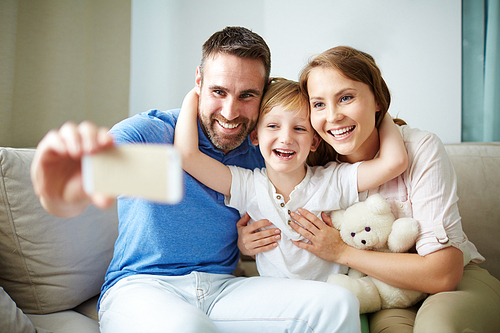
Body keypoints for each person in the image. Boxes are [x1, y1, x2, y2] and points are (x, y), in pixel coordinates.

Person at [30, 27, 363, 333]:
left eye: (247, 95)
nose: (231, 112)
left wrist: (244, 245)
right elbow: (77, 185)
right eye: (219, 91)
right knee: (188, 328)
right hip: (143, 287)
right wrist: (59, 178)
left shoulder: (264, 148)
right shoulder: (150, 134)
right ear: (199, 82)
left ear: (263, 96)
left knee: (337, 305)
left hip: (222, 289)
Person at [241, 45, 500, 332]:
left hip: (457, 284)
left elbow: (443, 274)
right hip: (383, 294)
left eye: (347, 97)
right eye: (319, 104)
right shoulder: (311, 162)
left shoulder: (420, 148)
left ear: (377, 99)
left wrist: (341, 252)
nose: (333, 116)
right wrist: (245, 240)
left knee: (437, 327)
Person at [174, 77, 408, 282]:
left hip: (329, 298)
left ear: (315, 142)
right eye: (273, 126)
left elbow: (394, 162)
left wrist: (377, 107)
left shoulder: (334, 180)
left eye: (299, 129)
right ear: (255, 136)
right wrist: (195, 93)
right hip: (278, 303)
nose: (285, 138)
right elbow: (187, 156)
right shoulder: (248, 185)